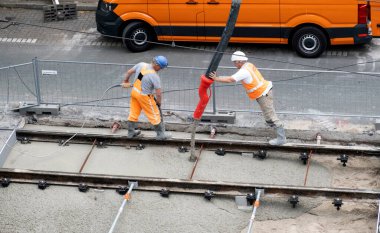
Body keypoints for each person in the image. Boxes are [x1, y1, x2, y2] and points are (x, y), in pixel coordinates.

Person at [209, 51, 286, 145]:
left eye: (235, 62)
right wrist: (218, 77)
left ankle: (281, 139)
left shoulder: (244, 71)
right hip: (264, 92)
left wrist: (216, 78)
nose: (234, 64)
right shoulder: (248, 65)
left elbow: (231, 79)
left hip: (263, 94)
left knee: (271, 116)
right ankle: (274, 128)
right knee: (268, 117)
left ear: (239, 61)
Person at [122, 55, 171, 140]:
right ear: (157, 65)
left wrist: (126, 81)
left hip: (134, 92)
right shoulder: (155, 76)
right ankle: (160, 135)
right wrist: (158, 103)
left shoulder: (141, 64)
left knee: (133, 113)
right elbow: (158, 94)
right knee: (154, 114)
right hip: (144, 97)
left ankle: (130, 132)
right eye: (161, 68)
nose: (161, 69)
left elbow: (129, 72)